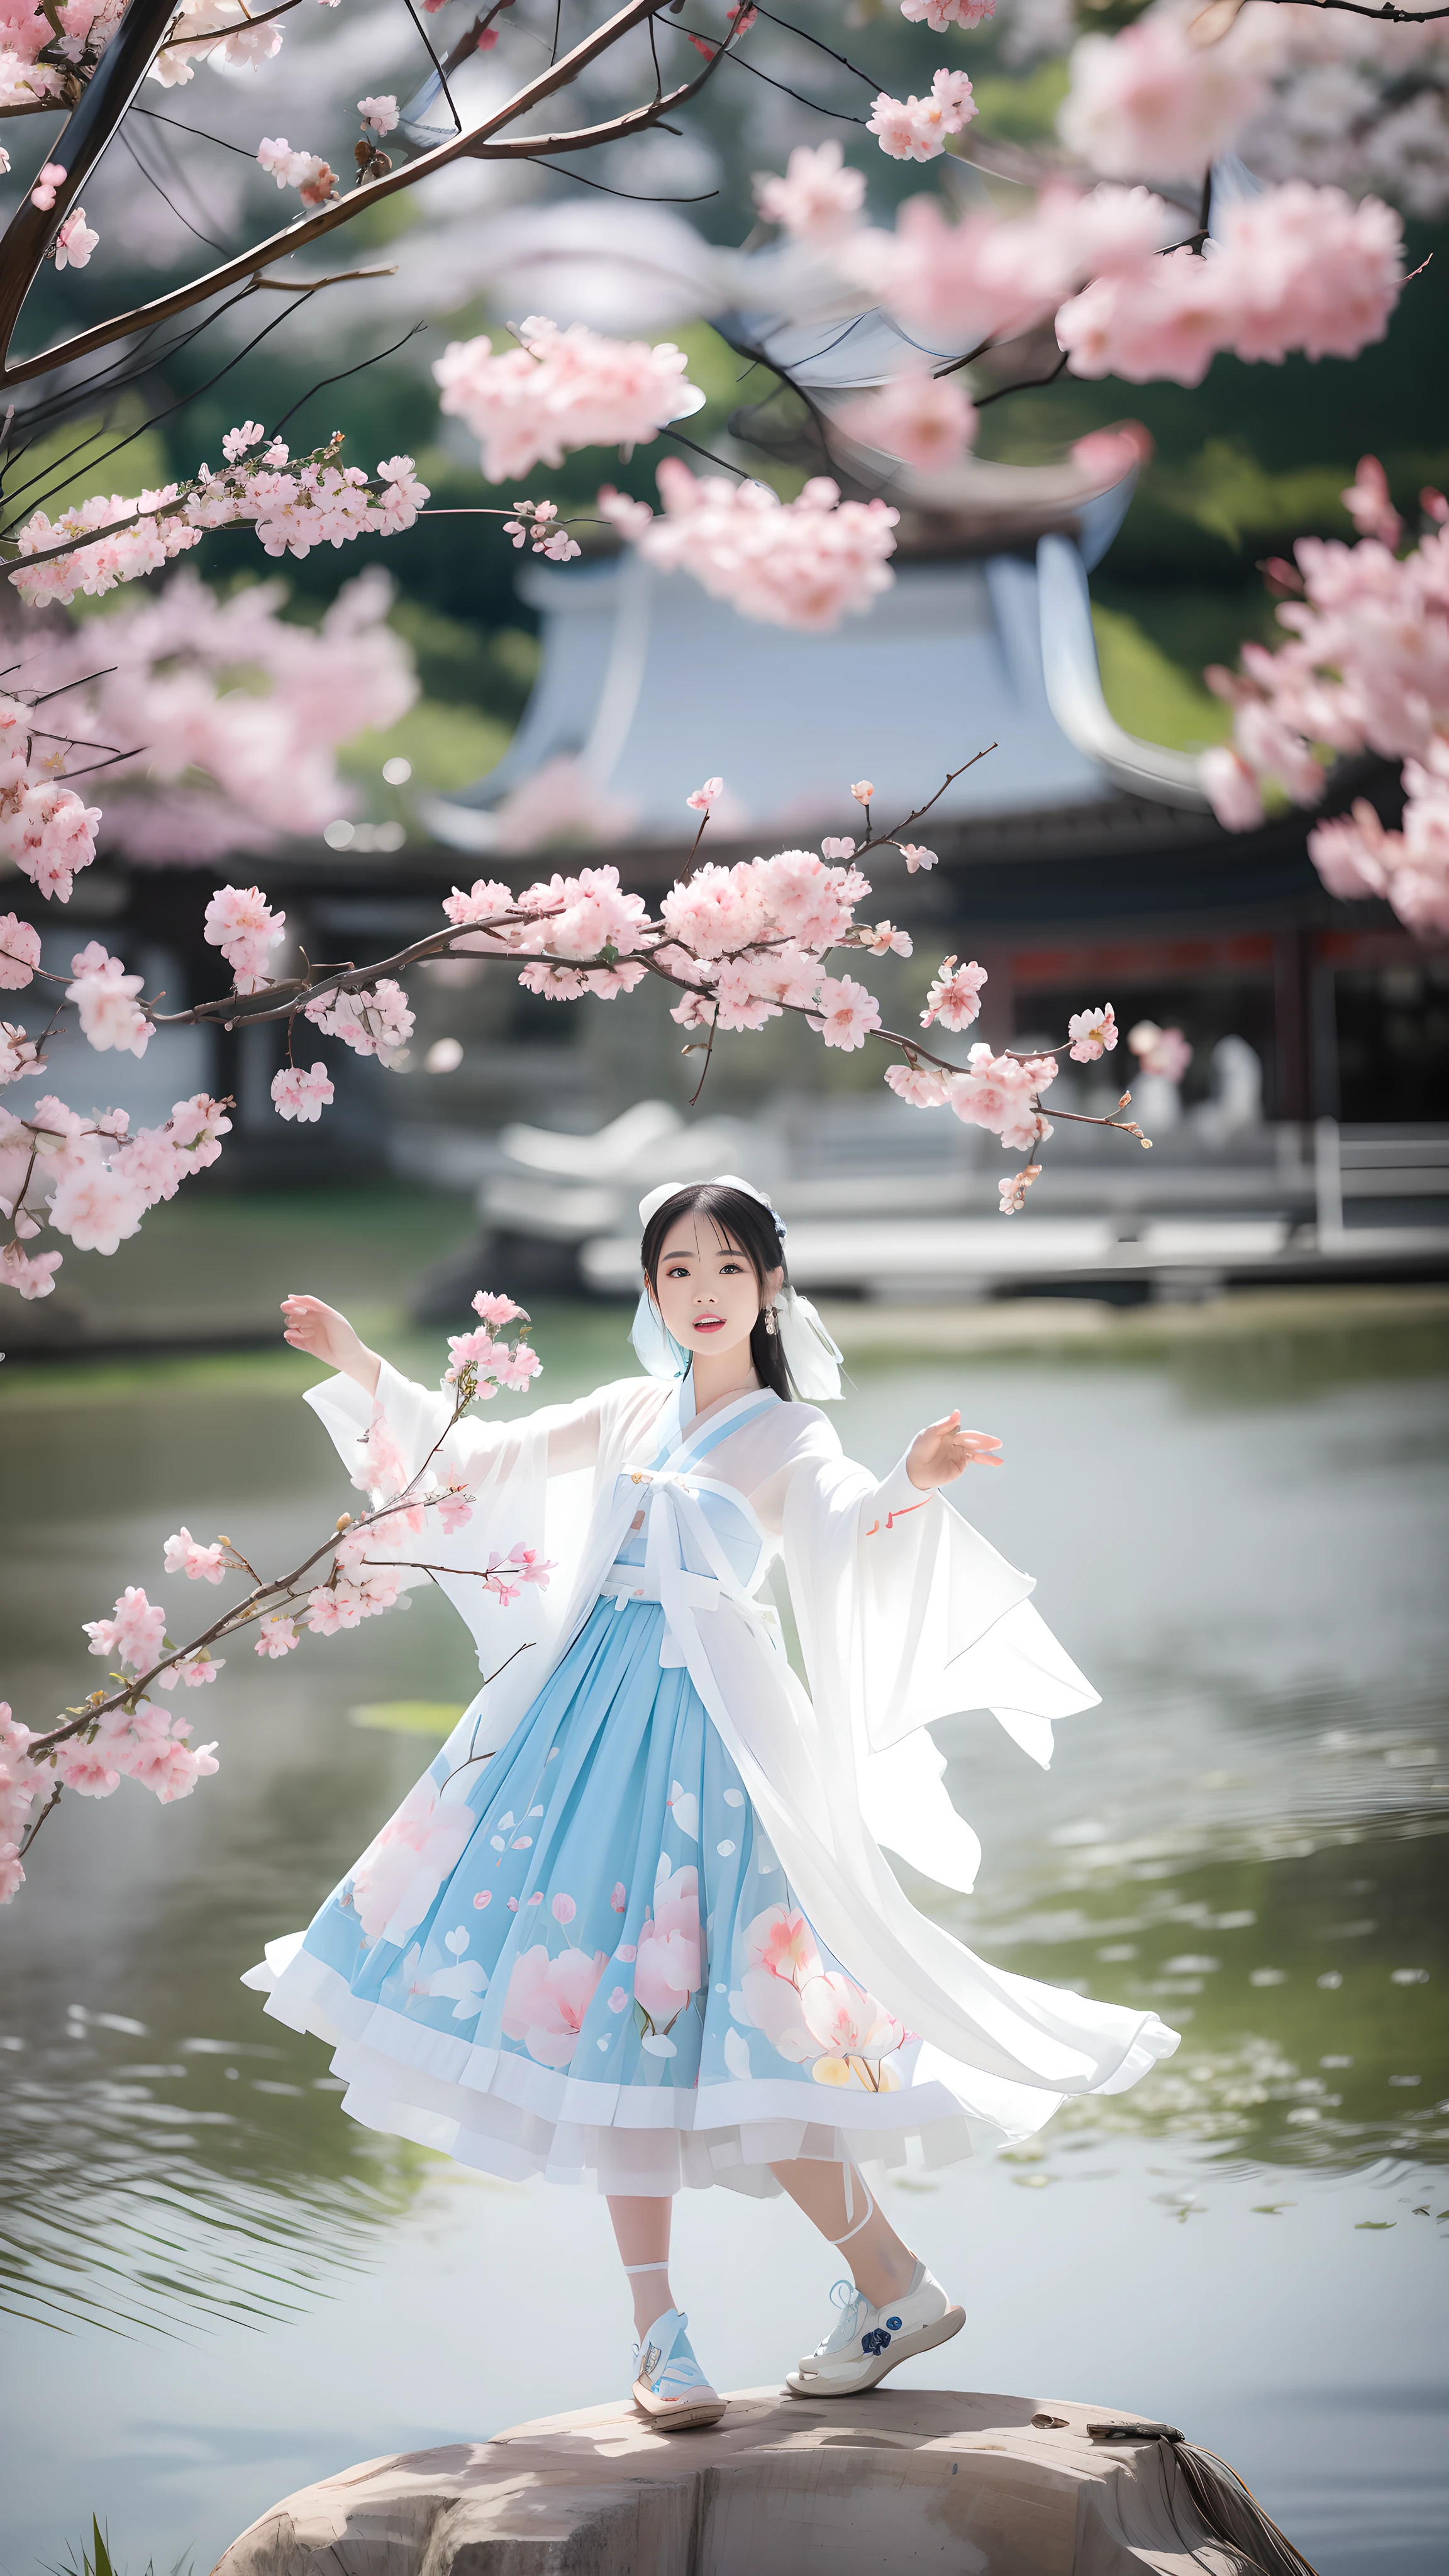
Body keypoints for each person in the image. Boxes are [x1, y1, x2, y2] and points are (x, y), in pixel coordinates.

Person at [249, 1177, 1176, 2433]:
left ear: (771, 1287)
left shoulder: (786, 1435)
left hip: (719, 1743)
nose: (702, 1291)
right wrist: (363, 1366)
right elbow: (474, 1461)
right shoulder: (632, 1405)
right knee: (613, 2023)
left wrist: (914, 1475)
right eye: (677, 1269)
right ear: (650, 1289)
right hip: (587, 1729)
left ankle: (888, 2277)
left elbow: (850, 1527)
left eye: (728, 1268)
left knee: (759, 2022)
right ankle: (667, 2336)